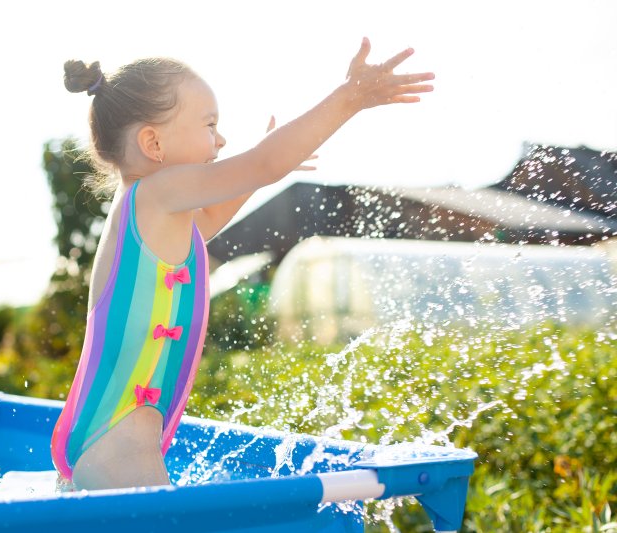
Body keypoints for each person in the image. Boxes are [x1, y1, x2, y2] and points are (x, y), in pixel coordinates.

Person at [50, 37, 434, 491]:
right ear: (152, 143)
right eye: (210, 125)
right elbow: (265, 164)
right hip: (118, 459)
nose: (222, 139)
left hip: (110, 450)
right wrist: (350, 97)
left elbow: (217, 211)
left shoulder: (158, 212)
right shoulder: (154, 195)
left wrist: (262, 167)